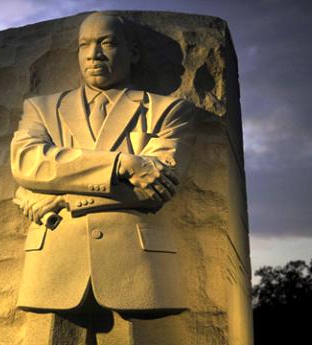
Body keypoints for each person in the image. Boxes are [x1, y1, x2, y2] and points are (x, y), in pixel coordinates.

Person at [10, 11, 196, 344]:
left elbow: (156, 189)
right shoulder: (42, 109)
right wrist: (122, 165)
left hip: (137, 268)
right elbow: (28, 164)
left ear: (133, 52)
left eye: (107, 43)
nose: (94, 54)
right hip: (54, 261)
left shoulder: (168, 110)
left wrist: (63, 196)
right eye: (85, 45)